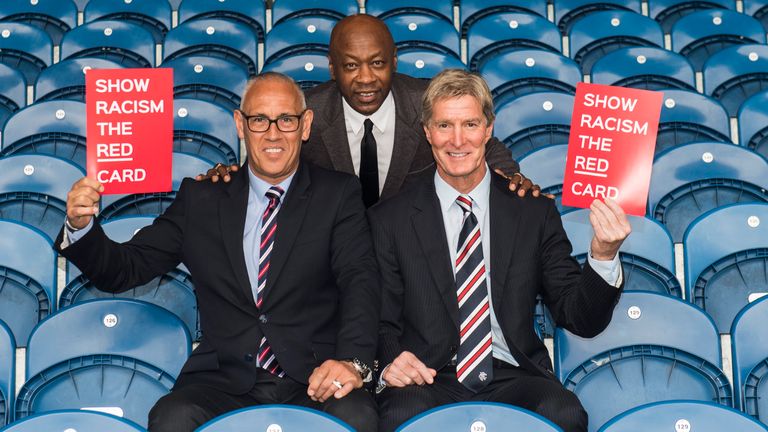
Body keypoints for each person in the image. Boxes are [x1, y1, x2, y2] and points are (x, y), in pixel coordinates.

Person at [56, 72, 380, 432]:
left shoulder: (338, 195)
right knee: (171, 418)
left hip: (314, 376)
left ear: (305, 126)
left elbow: (360, 281)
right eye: (259, 120)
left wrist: (351, 362)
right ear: (240, 125)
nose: (273, 134)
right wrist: (80, 226)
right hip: (223, 380)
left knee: (359, 418)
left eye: (286, 120)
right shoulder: (201, 199)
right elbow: (124, 269)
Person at [367, 69, 632, 432]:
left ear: (488, 129)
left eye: (470, 124)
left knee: (565, 414)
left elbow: (578, 317)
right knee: (396, 417)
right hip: (428, 376)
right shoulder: (389, 219)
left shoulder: (533, 212)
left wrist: (602, 255)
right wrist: (392, 359)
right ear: (427, 131)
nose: (457, 140)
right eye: (445, 126)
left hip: (514, 374)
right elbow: (379, 319)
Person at [199, 14, 541, 200]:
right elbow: (268, 157)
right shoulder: (308, 115)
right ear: (332, 69)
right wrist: (228, 177)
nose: (366, 79)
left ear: (394, 61)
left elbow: (485, 144)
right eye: (350, 66)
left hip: (414, 255)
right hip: (335, 263)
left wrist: (511, 178)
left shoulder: (425, 102)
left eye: (377, 64)